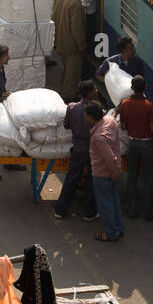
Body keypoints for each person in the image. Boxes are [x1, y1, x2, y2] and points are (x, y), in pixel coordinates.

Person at [53, 79, 99, 221]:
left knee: (71, 179)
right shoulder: (98, 111)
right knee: (93, 181)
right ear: (91, 93)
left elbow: (66, 125)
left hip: (78, 148)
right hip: (93, 149)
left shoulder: (72, 108)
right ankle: (89, 212)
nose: (97, 90)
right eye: (95, 89)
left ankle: (60, 210)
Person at [117, 75, 153, 221]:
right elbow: (152, 129)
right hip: (147, 144)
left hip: (133, 144)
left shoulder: (125, 104)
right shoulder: (149, 106)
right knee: (149, 177)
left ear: (132, 88)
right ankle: (148, 212)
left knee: (131, 176)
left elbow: (122, 126)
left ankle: (132, 210)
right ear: (145, 87)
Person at [86, 101, 123, 243]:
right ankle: (118, 227)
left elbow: (109, 157)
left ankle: (111, 233)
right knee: (113, 199)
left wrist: (113, 172)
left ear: (91, 117)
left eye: (86, 115)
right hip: (111, 173)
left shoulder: (98, 137)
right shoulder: (109, 120)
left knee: (105, 204)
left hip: (103, 174)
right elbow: (113, 114)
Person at [51, 0, 86, 100]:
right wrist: (81, 45)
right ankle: (68, 95)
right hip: (71, 43)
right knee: (72, 70)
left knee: (65, 66)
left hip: (60, 38)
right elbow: (77, 29)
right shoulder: (75, 4)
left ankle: (62, 89)